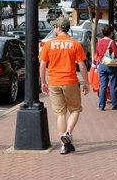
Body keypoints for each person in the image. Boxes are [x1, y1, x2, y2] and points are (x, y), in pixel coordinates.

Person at [39, 16, 90, 155]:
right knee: (75, 109)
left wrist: (43, 82)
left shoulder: (48, 45)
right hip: (70, 81)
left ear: (57, 28)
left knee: (60, 113)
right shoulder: (75, 44)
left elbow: (43, 65)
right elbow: (82, 65)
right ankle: (67, 133)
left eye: (54, 27)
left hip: (54, 82)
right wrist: (86, 83)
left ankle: (63, 144)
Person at [95, 25, 117, 111]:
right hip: (111, 66)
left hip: (102, 64)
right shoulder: (111, 42)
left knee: (103, 86)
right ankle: (114, 104)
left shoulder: (99, 42)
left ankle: (101, 105)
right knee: (113, 85)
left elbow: (97, 53)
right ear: (110, 32)